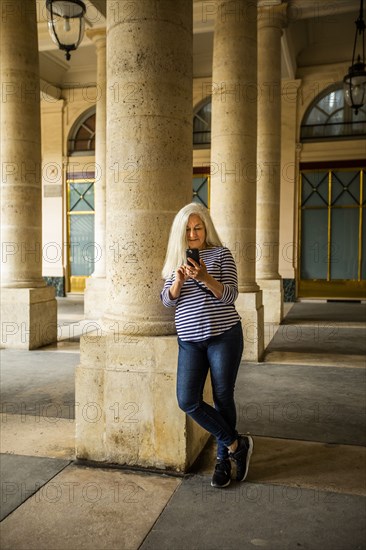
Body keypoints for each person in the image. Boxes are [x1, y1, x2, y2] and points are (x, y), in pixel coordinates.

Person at [160, 202, 253, 488]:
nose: (193, 233)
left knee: (223, 398)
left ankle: (222, 461)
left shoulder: (222, 254)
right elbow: (167, 300)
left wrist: (204, 277)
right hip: (190, 341)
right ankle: (237, 444)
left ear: (206, 228)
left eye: (198, 227)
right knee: (187, 400)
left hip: (224, 335)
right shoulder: (176, 258)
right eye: (188, 229)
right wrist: (177, 283)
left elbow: (230, 296)